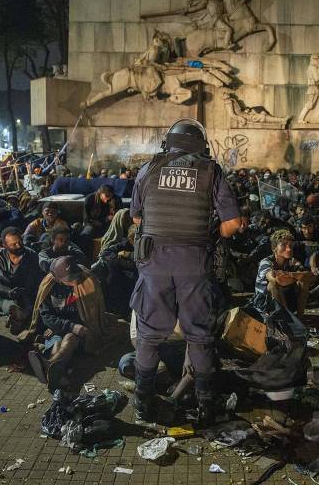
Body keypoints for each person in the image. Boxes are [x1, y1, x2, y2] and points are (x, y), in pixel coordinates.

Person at [129, 118, 241, 425]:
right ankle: (206, 407)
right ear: (201, 146)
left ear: (168, 143)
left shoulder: (148, 169)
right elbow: (232, 226)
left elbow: (137, 219)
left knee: (149, 337)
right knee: (200, 338)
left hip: (155, 267)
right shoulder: (210, 171)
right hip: (195, 267)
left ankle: (142, 405)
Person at [26, 256, 108, 391]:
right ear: (57, 278)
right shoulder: (48, 286)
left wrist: (72, 327)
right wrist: (65, 327)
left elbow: (90, 315)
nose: (75, 281)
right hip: (58, 329)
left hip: (80, 330)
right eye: (69, 279)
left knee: (69, 338)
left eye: (75, 276)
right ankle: (55, 373)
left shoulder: (87, 280)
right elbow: (46, 316)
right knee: (57, 342)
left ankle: (49, 365)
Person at [0, 227, 43, 334]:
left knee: (29, 310)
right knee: (12, 308)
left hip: (26, 292)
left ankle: (19, 317)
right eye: (13, 244)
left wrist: (26, 295)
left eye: (20, 242)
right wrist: (9, 292)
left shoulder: (31, 255)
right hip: (5, 293)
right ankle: (17, 316)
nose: (18, 246)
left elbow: (35, 281)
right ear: (5, 245)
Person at [251, 229, 314, 316]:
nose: (288, 249)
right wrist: (295, 277)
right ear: (274, 248)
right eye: (283, 245)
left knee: (304, 281)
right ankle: (286, 319)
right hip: (265, 304)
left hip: (283, 299)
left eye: (290, 245)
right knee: (272, 285)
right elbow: (275, 280)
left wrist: (290, 274)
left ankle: (299, 318)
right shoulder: (266, 262)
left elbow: (309, 276)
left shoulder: (291, 261)